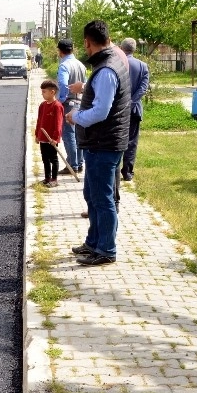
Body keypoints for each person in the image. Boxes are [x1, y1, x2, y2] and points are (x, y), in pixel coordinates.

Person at [65, 20, 131, 266]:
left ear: (87, 42)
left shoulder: (106, 70)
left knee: (103, 199)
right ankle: (93, 242)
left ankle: (106, 250)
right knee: (92, 195)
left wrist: (76, 117)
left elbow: (101, 111)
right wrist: (85, 89)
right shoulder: (114, 59)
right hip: (105, 142)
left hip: (104, 143)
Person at [119, 38, 150, 181]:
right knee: (131, 140)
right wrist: (132, 102)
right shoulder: (142, 66)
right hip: (134, 109)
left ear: (121, 47)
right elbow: (143, 88)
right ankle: (127, 171)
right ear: (134, 49)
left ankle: (113, 169)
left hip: (117, 109)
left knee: (116, 138)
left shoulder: (116, 63)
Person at [56, 38, 87, 175]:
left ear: (60, 51)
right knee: (78, 134)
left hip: (68, 103)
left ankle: (72, 165)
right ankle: (79, 164)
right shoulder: (81, 65)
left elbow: (63, 84)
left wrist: (61, 99)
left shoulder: (64, 65)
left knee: (68, 135)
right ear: (72, 49)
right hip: (80, 102)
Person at [35, 79, 64, 187]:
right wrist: (37, 134)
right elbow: (39, 121)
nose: (42, 94)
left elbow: (58, 124)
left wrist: (55, 138)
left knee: (53, 159)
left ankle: (54, 179)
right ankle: (47, 178)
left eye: (44, 92)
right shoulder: (42, 105)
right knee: (45, 159)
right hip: (43, 137)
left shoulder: (57, 106)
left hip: (51, 139)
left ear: (52, 92)